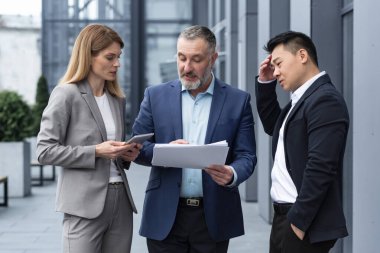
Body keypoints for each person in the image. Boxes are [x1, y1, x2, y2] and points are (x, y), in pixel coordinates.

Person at [132, 25, 257, 253]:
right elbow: (137, 148)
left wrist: (232, 174)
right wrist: (164, 150)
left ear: (213, 59)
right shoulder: (155, 96)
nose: (186, 68)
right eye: (181, 58)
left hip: (213, 217)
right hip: (165, 216)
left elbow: (247, 156)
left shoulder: (238, 101)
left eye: (196, 60)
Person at [36, 24, 141, 253]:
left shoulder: (116, 99)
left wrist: (126, 155)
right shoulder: (66, 94)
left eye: (119, 57)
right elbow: (44, 151)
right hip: (83, 205)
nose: (117, 64)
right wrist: (95, 151)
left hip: (120, 201)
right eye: (110, 57)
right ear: (89, 56)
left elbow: (113, 154)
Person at [255, 31, 349, 253]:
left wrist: (298, 223)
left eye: (279, 64)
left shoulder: (325, 99)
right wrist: (265, 83)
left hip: (303, 221)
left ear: (302, 55)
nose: (276, 71)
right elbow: (274, 128)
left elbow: (321, 166)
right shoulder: (300, 99)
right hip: (285, 218)